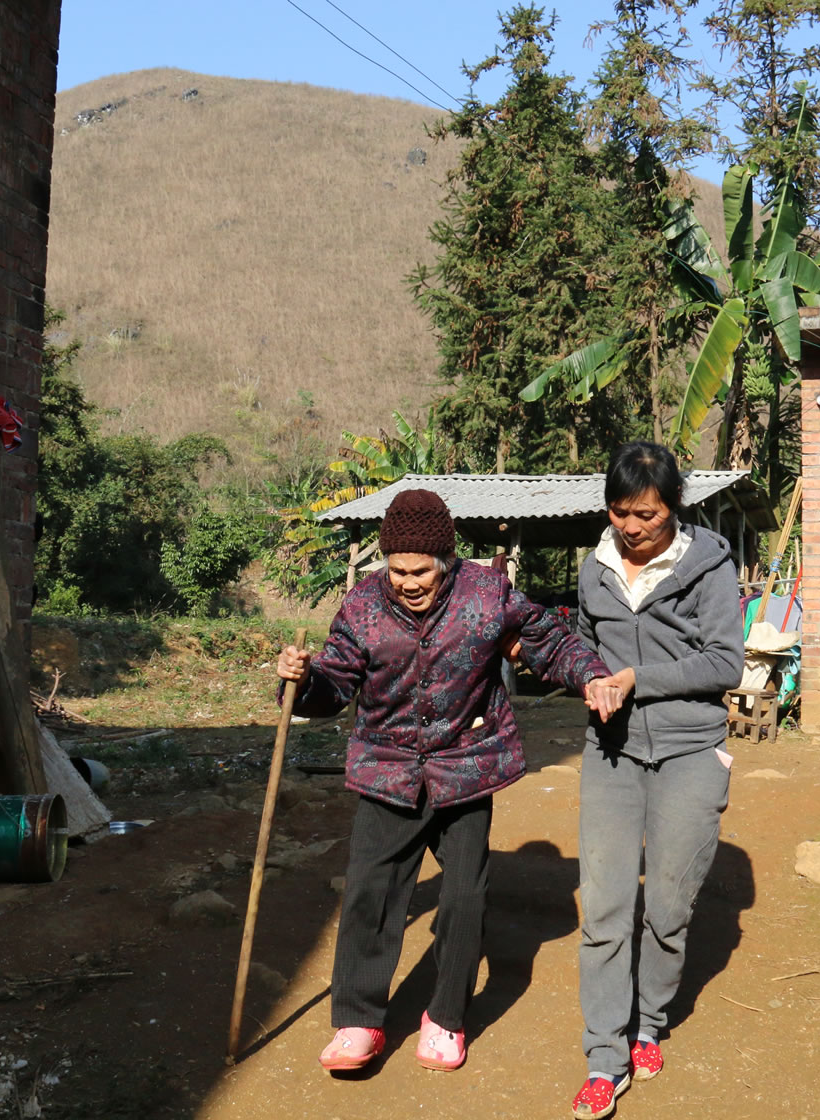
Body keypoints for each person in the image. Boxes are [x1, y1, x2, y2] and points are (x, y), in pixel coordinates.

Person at [277, 488, 625, 1075]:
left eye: (419, 571)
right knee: (371, 893)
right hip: (388, 770)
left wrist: (592, 676)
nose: (407, 582)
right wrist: (301, 682)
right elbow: (332, 685)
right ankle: (359, 1020)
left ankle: (445, 1018)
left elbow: (548, 641)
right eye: (396, 571)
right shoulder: (362, 606)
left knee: (463, 898)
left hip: (465, 767)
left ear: (446, 561)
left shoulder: (487, 596)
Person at [568, 442, 745, 1120]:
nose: (631, 527)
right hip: (610, 753)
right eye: (619, 512)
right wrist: (589, 676)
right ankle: (604, 1060)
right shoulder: (596, 568)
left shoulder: (708, 566)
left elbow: (725, 662)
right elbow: (583, 644)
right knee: (606, 912)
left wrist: (639, 680)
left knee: (668, 912)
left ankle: (649, 1022)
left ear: (673, 507)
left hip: (690, 751)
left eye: (646, 514)